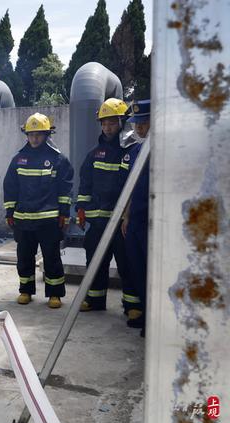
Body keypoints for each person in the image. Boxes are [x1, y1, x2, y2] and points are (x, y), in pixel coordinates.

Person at [76, 98, 139, 318]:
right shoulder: (94, 153)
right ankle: (95, 299)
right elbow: (85, 183)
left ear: (121, 122)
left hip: (122, 221)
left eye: (112, 123)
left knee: (126, 263)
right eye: (104, 123)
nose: (107, 127)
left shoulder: (131, 151)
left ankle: (132, 305)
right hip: (98, 221)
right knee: (95, 261)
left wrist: (128, 216)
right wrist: (81, 208)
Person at [3, 113, 74, 309]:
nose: (34, 138)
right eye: (31, 134)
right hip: (23, 220)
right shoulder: (18, 159)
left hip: (49, 220)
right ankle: (25, 291)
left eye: (38, 134)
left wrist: (64, 214)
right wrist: (10, 213)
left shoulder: (58, 160)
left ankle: (55, 294)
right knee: (24, 257)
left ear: (47, 134)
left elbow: (65, 189)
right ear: (26, 134)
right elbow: (10, 188)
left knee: (51, 258)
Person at [121, 100, 151, 335]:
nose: (139, 128)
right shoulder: (139, 150)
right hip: (136, 221)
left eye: (143, 122)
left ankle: (154, 320)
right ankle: (144, 312)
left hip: (153, 222)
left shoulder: (165, 149)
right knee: (137, 268)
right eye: (137, 124)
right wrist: (126, 216)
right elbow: (131, 187)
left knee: (153, 271)